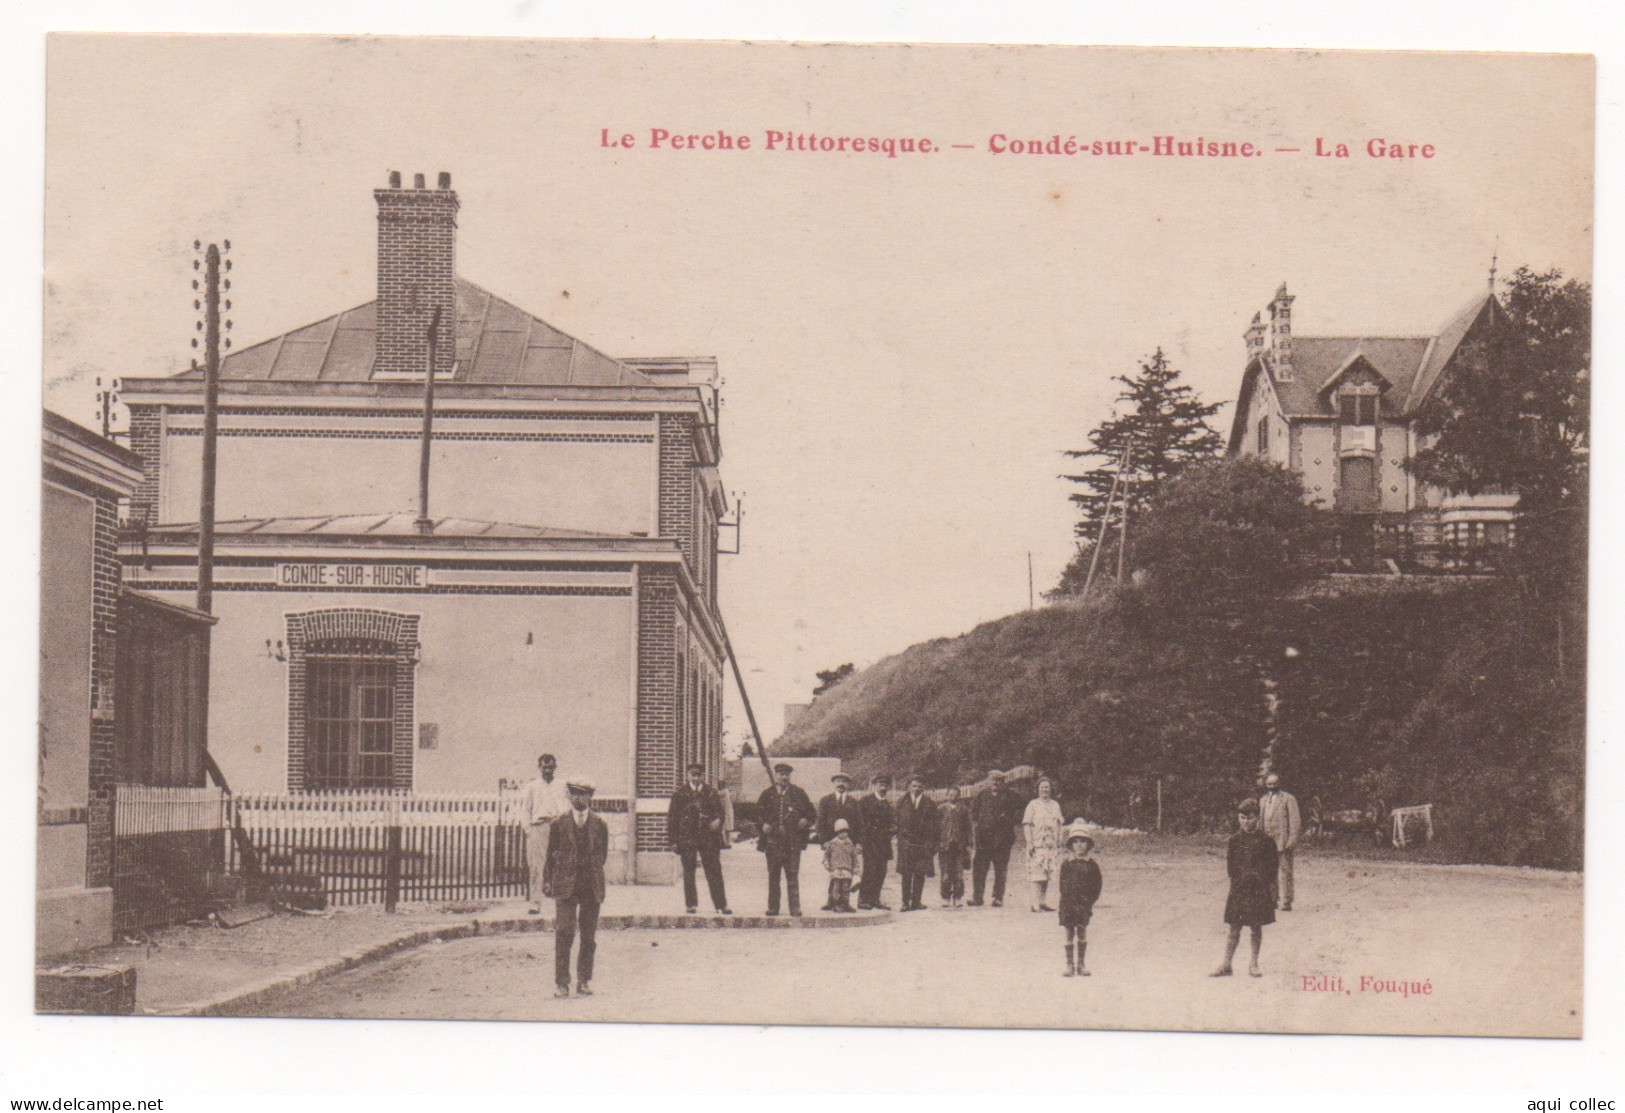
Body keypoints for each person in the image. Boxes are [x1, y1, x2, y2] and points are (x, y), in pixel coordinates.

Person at [543, 778, 609, 998]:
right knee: (564, 932)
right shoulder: (558, 824)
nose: (579, 798)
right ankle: (562, 983)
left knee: (588, 936)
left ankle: (584, 980)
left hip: (590, 885)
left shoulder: (600, 825)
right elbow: (550, 856)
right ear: (569, 796)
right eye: (575, 794)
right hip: (565, 884)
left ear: (591, 797)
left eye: (584, 794)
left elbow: (603, 856)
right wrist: (548, 881)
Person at [1212, 798, 1279, 978]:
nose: (1246, 822)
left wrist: (1264, 884)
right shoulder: (1234, 840)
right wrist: (1239, 881)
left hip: (1258, 890)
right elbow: (1231, 867)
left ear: (1257, 818)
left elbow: (1273, 867)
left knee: (1256, 927)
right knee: (1234, 928)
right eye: (1242, 818)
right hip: (1239, 890)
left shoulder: (1267, 841)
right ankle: (1226, 964)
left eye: (1250, 818)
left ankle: (1254, 964)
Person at [667, 762, 731, 915]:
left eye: (699, 775)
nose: (696, 778)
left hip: (708, 838)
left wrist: (718, 821)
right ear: (688, 776)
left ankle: (721, 905)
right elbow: (672, 818)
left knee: (714, 870)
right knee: (689, 871)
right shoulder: (680, 794)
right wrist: (673, 841)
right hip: (687, 837)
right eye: (693, 775)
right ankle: (691, 904)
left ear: (703, 776)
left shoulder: (711, 793)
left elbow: (721, 813)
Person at [756, 762, 816, 917]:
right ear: (776, 776)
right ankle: (773, 908)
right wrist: (763, 825)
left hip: (792, 843)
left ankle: (795, 908)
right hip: (773, 843)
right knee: (773, 876)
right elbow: (756, 815)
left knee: (792, 875)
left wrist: (805, 821)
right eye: (781, 774)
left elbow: (812, 814)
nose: (784, 777)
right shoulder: (767, 794)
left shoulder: (799, 793)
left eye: (787, 774)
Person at [522, 753, 570, 914]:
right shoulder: (532, 786)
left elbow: (568, 805)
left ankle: (561, 901)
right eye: (544, 767)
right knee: (537, 865)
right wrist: (528, 830)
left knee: (561, 862)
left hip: (557, 826)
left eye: (551, 767)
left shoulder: (562, 785)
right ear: (539, 768)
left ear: (555, 767)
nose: (548, 770)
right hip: (539, 826)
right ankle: (535, 902)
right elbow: (525, 810)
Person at [1057, 823, 1104, 977]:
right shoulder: (1066, 864)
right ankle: (1069, 964)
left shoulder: (1091, 865)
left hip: (1084, 904)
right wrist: (1066, 902)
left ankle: (1081, 964)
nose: (1079, 845)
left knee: (1082, 931)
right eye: (1076, 841)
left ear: (1088, 844)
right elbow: (1062, 885)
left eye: (1082, 841)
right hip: (1068, 904)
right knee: (1069, 933)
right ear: (1071, 844)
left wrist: (1089, 901)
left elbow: (1097, 886)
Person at [969, 770, 1020, 907]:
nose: (996, 783)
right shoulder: (981, 795)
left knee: (1000, 870)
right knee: (979, 869)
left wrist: (1009, 820)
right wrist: (978, 827)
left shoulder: (1011, 795)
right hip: (984, 840)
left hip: (1003, 839)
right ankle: (977, 897)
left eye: (999, 780)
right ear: (988, 781)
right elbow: (973, 813)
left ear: (1003, 782)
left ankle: (998, 897)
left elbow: (1019, 812)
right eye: (993, 780)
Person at [815, 772, 865, 909]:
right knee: (834, 873)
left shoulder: (854, 803)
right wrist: (823, 841)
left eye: (844, 781)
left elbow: (860, 824)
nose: (841, 784)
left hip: (849, 844)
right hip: (832, 844)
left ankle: (845, 902)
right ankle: (831, 901)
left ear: (848, 785)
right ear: (834, 783)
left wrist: (859, 842)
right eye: (838, 781)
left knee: (847, 874)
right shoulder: (826, 801)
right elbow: (820, 822)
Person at [894, 774, 939, 911]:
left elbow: (935, 825)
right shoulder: (902, 802)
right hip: (906, 843)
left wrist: (932, 844)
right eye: (914, 786)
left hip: (923, 844)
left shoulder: (930, 804)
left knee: (920, 873)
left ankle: (916, 901)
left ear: (924, 787)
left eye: (920, 786)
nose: (917, 789)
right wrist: (899, 839)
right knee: (906, 874)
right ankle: (905, 902)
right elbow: (896, 823)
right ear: (909, 787)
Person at [1259, 772, 1302, 911]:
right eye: (1269, 784)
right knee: (1269, 871)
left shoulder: (1288, 799)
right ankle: (1272, 899)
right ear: (1266, 785)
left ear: (1279, 784)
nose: (1272, 786)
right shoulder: (1263, 800)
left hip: (1283, 841)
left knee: (1286, 871)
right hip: (1267, 841)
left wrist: (1292, 839)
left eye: (1275, 783)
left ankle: (1287, 900)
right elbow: (1260, 820)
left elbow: (1295, 821)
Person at [1022, 776, 1065, 912]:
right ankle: (1034, 903)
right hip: (1037, 843)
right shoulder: (1033, 805)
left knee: (1047, 873)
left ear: (1051, 789)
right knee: (1037, 873)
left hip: (1050, 844)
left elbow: (1059, 824)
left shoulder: (1055, 805)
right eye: (1042, 787)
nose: (1044, 790)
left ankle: (1042, 902)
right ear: (1038, 790)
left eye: (1047, 787)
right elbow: (1027, 824)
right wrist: (1029, 843)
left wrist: (1059, 840)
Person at [856, 774, 896, 910]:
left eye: (885, 785)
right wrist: (861, 841)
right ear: (874, 786)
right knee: (869, 871)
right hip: (870, 842)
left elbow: (892, 823)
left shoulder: (888, 805)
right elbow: (860, 823)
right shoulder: (865, 801)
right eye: (880, 784)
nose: (883, 787)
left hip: (884, 843)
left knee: (881, 871)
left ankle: (875, 899)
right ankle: (863, 900)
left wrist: (892, 831)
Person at [937, 785, 972, 908]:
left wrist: (969, 844)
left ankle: (958, 897)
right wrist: (937, 842)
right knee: (945, 872)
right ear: (946, 796)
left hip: (959, 846)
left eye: (955, 795)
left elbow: (968, 828)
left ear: (959, 796)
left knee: (958, 873)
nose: (953, 797)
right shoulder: (941, 809)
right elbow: (936, 828)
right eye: (950, 794)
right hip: (944, 846)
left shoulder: (963, 809)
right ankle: (945, 897)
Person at [822, 818, 863, 913]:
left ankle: (845, 903)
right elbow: (826, 855)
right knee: (836, 887)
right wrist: (827, 863)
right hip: (836, 869)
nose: (843, 834)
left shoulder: (850, 844)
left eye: (845, 832)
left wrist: (856, 867)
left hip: (847, 870)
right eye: (841, 832)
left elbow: (854, 857)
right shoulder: (832, 844)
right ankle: (836, 904)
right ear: (837, 833)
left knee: (846, 887)